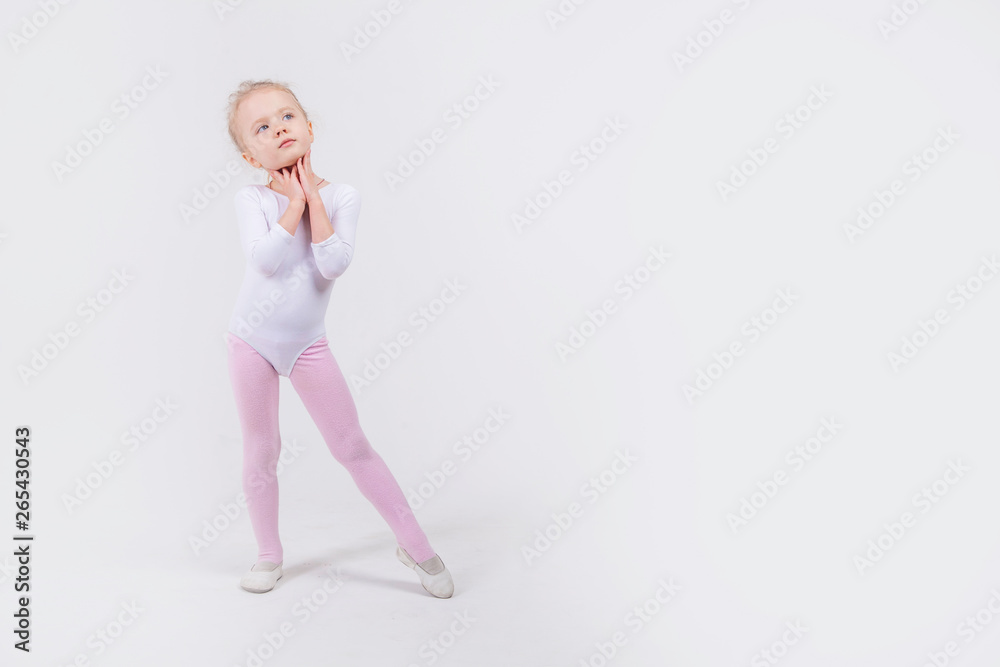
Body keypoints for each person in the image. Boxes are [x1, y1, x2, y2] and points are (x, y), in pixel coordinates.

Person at [222, 79, 453, 597]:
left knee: (350, 444)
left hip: (307, 344)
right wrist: (292, 206)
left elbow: (332, 264)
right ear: (248, 152)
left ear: (308, 126)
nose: (278, 128)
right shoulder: (252, 198)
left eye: (286, 117)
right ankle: (268, 555)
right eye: (262, 127)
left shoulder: (344, 195)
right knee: (262, 448)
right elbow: (264, 258)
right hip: (250, 340)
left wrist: (312, 201)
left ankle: (416, 546)